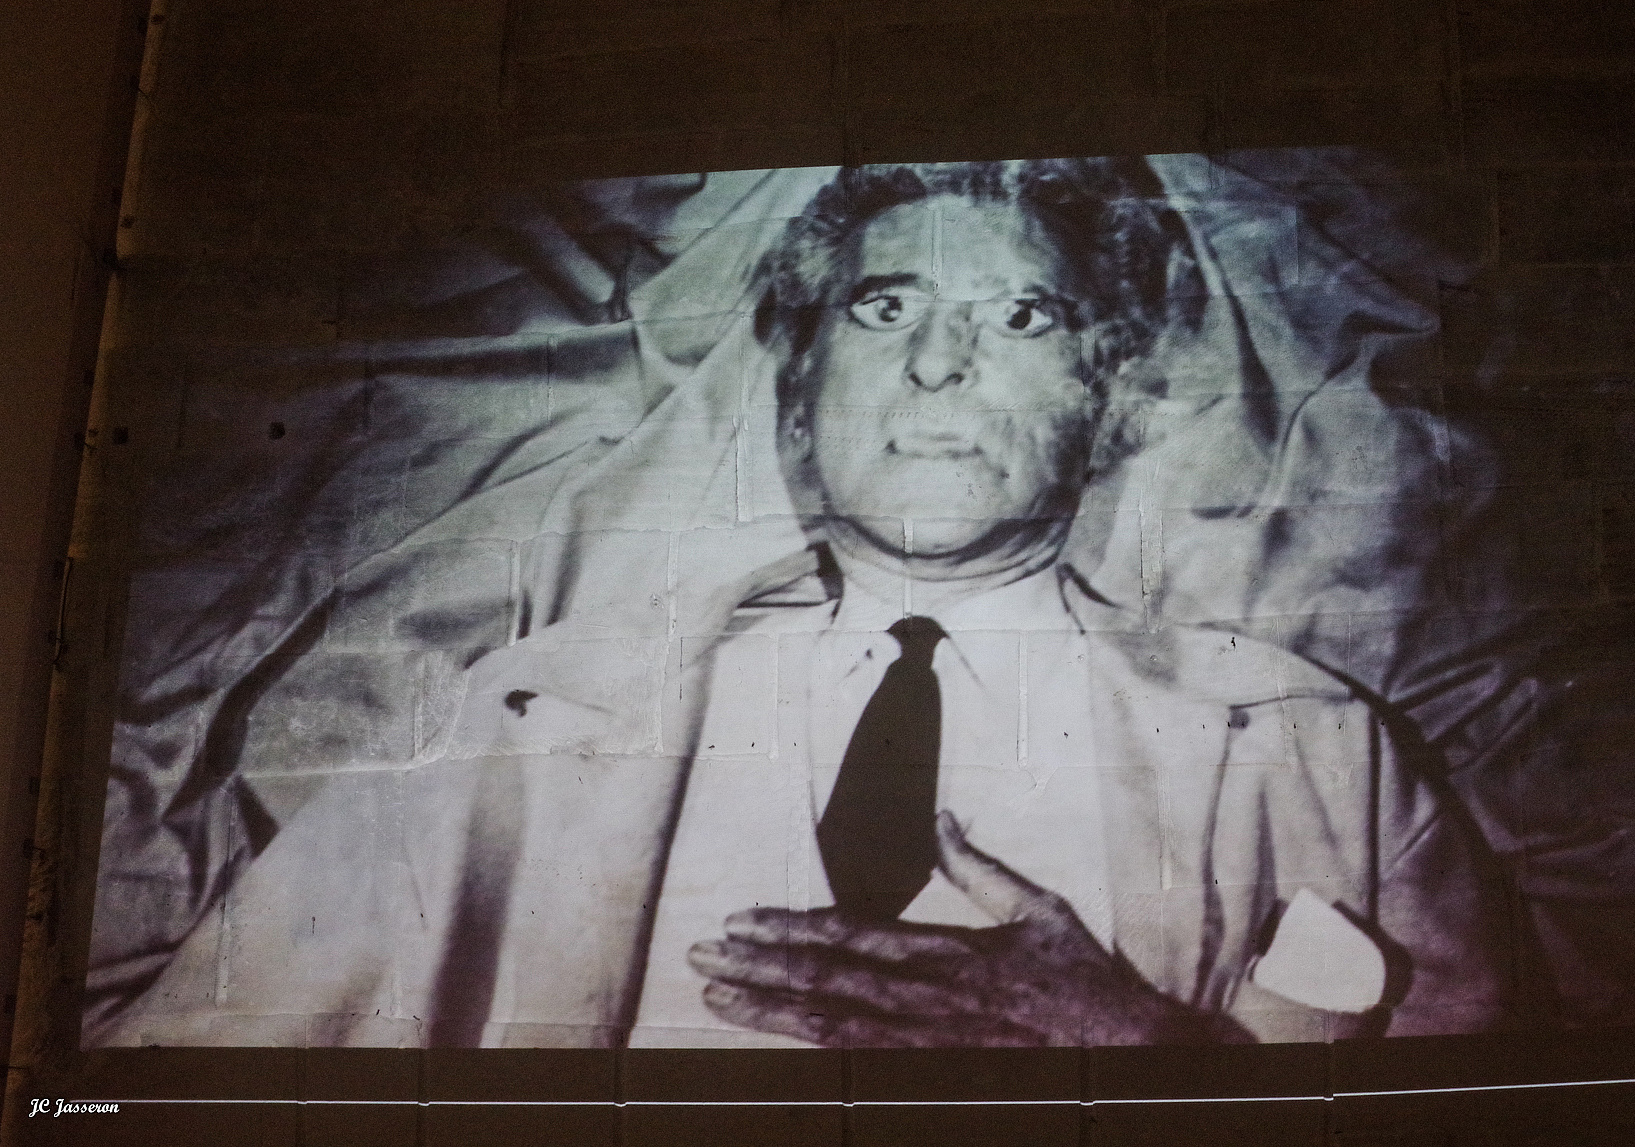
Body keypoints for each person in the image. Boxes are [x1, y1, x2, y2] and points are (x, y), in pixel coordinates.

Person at [85, 158, 1511, 1047]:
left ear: (1110, 398)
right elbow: (187, 1080)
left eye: (1022, 316)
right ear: (802, 382)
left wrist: (1158, 1066)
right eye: (884, 309)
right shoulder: (530, 716)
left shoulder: (1321, 749)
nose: (938, 365)